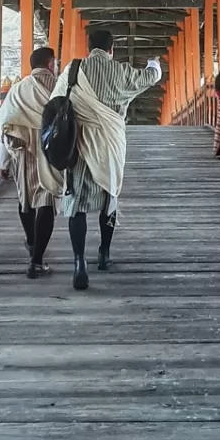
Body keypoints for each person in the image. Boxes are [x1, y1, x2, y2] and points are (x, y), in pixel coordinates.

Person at [50, 27, 161, 290]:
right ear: (112, 50)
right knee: (109, 198)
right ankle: (104, 254)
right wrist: (154, 65)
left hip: (80, 145)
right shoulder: (121, 71)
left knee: (76, 204)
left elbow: (55, 101)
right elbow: (148, 78)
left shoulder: (74, 69)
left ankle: (79, 261)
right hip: (110, 146)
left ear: (89, 48)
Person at [0, 45, 63, 277]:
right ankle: (36, 260)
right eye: (55, 63)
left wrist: (1, 161)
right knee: (46, 200)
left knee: (26, 199)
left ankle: (32, 242)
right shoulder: (60, 87)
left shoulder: (17, 89)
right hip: (50, 151)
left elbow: (5, 122)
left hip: (23, 152)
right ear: (50, 65)